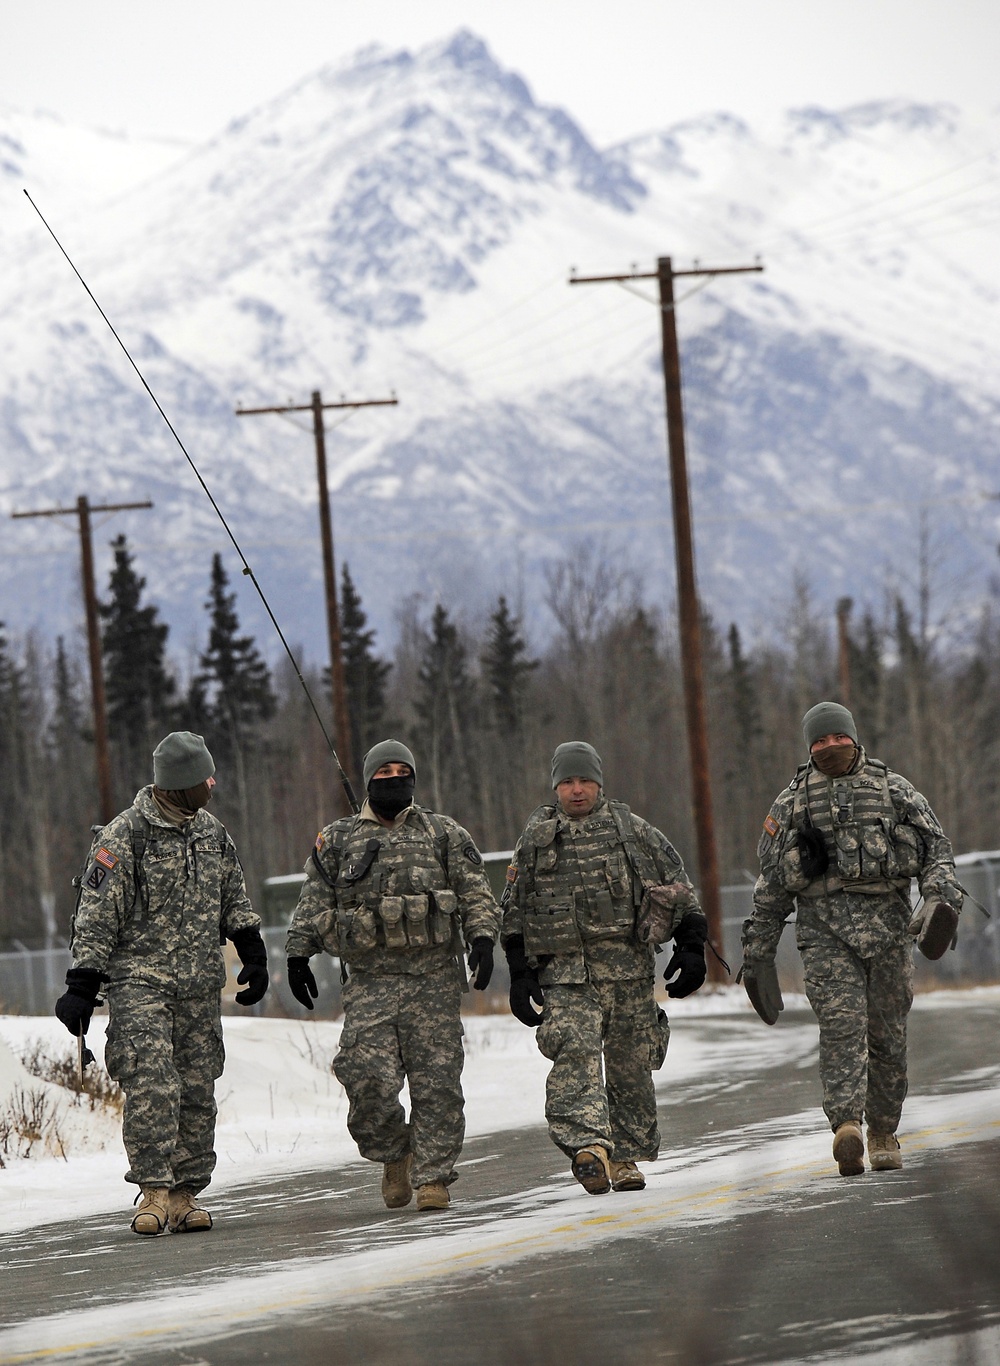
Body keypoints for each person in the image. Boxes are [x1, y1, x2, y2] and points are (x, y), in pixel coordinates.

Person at [55, 731, 268, 1235]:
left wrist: (253, 952)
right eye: (205, 779)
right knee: (152, 1084)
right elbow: (96, 915)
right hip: (140, 984)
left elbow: (234, 899)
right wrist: (83, 982)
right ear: (179, 784)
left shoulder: (212, 833)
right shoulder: (124, 836)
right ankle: (151, 1192)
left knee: (197, 1088)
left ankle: (184, 1195)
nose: (212, 786)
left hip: (198, 984)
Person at [742, 701, 963, 1177]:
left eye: (836, 738)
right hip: (825, 935)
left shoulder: (893, 790)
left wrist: (939, 899)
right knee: (842, 1029)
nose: (829, 747)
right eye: (818, 741)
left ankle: (884, 1130)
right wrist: (758, 952)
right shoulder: (792, 803)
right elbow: (771, 883)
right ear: (809, 746)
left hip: (889, 931)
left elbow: (936, 849)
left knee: (887, 1034)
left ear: (853, 737)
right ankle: (847, 1126)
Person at [285, 739, 501, 1213]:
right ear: (367, 781)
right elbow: (314, 898)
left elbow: (475, 892)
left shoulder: (443, 834)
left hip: (432, 982)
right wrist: (298, 953)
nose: (395, 780)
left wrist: (482, 938)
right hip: (370, 983)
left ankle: (433, 1178)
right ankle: (394, 1152)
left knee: (438, 1085)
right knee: (366, 1079)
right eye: (384, 773)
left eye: (403, 771)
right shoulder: (339, 839)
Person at [501, 741, 708, 1195]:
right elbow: (512, 911)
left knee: (631, 1066)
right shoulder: (535, 842)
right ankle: (590, 1149)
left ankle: (627, 1157)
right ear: (556, 786)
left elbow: (680, 891)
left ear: (599, 783)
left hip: (628, 972)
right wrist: (519, 972)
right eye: (568, 782)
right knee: (573, 1054)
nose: (577, 790)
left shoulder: (632, 831)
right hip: (565, 975)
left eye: (585, 781)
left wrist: (692, 946)